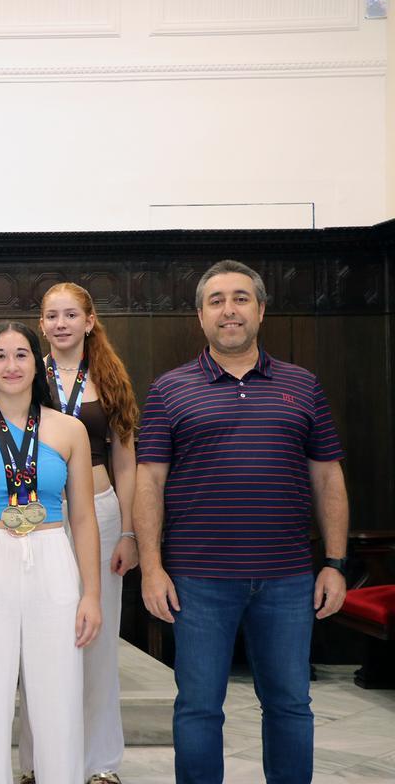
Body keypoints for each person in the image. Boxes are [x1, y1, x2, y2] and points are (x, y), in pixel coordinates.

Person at [135, 259, 348, 784]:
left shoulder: (303, 385)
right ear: (200, 316)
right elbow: (148, 484)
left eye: (240, 298)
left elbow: (328, 480)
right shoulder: (169, 389)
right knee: (199, 708)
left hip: (288, 577)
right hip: (198, 579)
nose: (229, 310)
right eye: (216, 301)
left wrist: (336, 563)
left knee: (290, 704)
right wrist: (152, 567)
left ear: (261, 309)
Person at [0, 321, 102, 784]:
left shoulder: (69, 429)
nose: (11, 365)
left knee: (59, 699)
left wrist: (91, 595)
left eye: (21, 354)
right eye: (0, 356)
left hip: (52, 555)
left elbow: (84, 519)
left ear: (37, 363)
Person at [17, 283, 139, 784]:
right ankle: (36, 762)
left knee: (97, 637)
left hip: (102, 511)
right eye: (52, 315)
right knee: (37, 640)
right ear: (41, 323)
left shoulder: (109, 378)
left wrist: (129, 530)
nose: (61, 323)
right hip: (39, 516)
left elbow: (127, 460)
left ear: (89, 321)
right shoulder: (23, 372)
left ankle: (100, 763)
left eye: (71, 315)